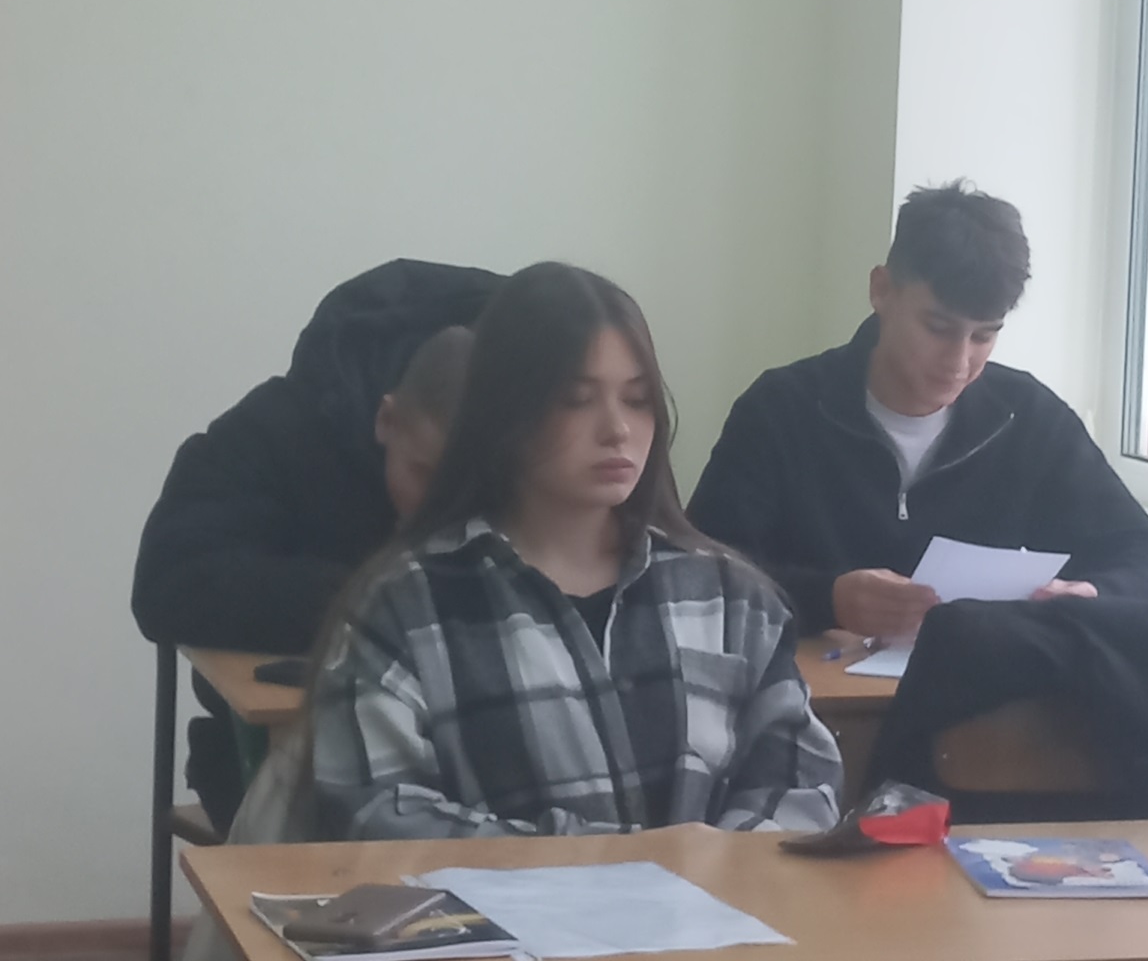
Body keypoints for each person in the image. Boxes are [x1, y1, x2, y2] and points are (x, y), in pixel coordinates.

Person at [303, 261, 841, 840]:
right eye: (577, 400)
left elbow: (799, 783)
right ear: (506, 412)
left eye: (637, 399)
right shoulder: (404, 606)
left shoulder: (732, 598)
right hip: (501, 905)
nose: (617, 429)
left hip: (719, 899)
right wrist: (612, 862)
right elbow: (374, 813)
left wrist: (720, 860)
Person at [688, 181, 1148, 644]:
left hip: (975, 693)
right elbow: (696, 570)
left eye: (984, 336)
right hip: (811, 694)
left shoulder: (1028, 419)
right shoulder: (781, 410)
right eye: (938, 328)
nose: (959, 362)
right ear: (882, 290)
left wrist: (1091, 596)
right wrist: (828, 599)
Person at [132, 258, 499, 831]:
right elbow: (168, 582)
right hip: (285, 760)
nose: (441, 510)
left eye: (471, 489)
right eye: (425, 474)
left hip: (494, 761)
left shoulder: (553, 430)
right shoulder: (276, 430)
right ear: (387, 420)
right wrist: (379, 599)